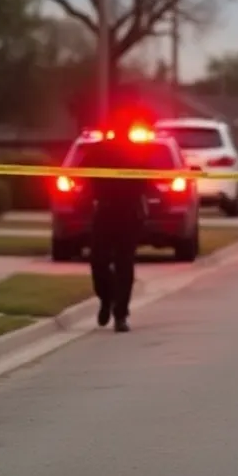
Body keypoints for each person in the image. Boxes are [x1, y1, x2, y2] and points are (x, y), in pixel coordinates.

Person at [85, 138, 152, 333]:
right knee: (98, 261)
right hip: (104, 211)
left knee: (124, 263)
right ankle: (107, 298)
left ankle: (120, 315)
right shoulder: (99, 149)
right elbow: (82, 172)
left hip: (129, 213)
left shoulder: (138, 151)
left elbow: (145, 181)